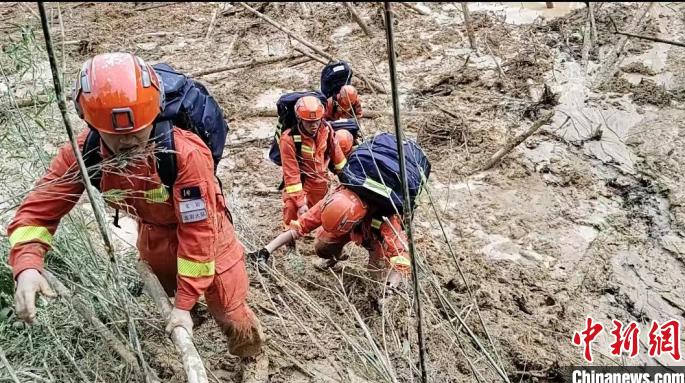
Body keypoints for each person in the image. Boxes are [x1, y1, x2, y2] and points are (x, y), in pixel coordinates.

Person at [7, 52, 263, 357]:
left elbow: (199, 232)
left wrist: (184, 302)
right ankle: (190, 316)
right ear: (92, 124)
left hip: (210, 239)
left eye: (137, 131)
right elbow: (38, 210)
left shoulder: (184, 154)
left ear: (153, 114)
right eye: (117, 136)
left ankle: (252, 356)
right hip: (153, 236)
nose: (128, 143)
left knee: (229, 310)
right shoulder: (84, 154)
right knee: (171, 297)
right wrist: (27, 267)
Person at [249, 186, 410, 290]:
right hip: (355, 228)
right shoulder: (333, 202)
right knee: (322, 246)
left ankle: (382, 288)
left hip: (374, 239)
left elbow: (401, 258)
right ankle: (334, 257)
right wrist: (265, 250)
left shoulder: (387, 220)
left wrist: (390, 289)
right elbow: (299, 227)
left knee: (376, 281)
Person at [279, 95, 347, 227]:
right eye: (309, 122)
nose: (314, 125)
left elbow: (338, 157)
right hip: (302, 182)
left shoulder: (326, 130)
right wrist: (300, 202)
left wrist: (347, 178)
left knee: (320, 213)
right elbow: (291, 174)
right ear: (299, 119)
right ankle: (289, 237)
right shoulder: (288, 139)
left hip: (321, 181)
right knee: (291, 208)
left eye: (317, 121)